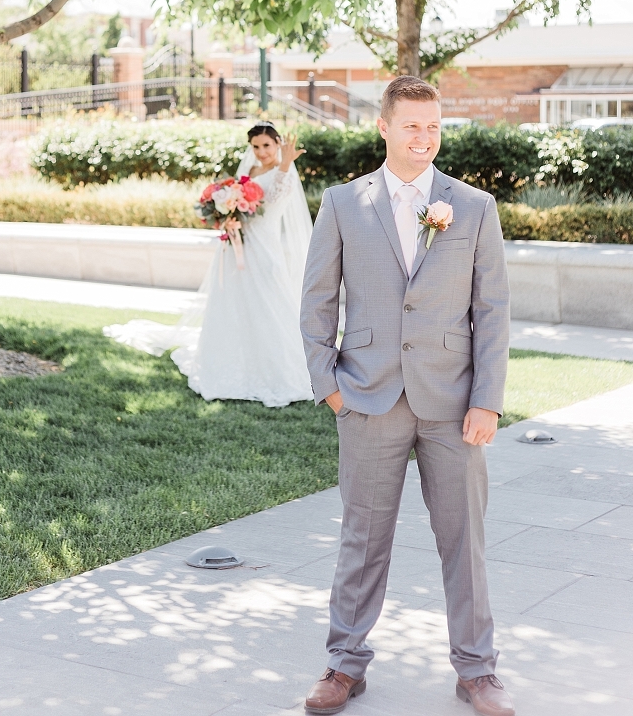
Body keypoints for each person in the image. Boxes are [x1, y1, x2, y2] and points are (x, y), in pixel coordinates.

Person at [300, 76, 514, 716]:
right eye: (412, 126)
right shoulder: (342, 203)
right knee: (362, 540)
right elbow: (316, 305)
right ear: (385, 128)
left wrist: (488, 400)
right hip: (367, 399)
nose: (425, 138)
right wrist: (330, 390)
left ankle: (477, 671)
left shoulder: (472, 207)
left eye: (433, 126)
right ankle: (344, 666)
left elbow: (493, 310)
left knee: (464, 542)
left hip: (452, 403)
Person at [105, 122, 314, 408]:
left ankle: (276, 368)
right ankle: (230, 361)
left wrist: (285, 165)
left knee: (270, 304)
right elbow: (242, 205)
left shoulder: (284, 173)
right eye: (256, 146)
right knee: (233, 302)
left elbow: (274, 205)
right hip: (235, 246)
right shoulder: (248, 172)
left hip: (263, 249)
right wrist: (227, 214)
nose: (261, 151)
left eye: (267, 145)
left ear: (278, 143)